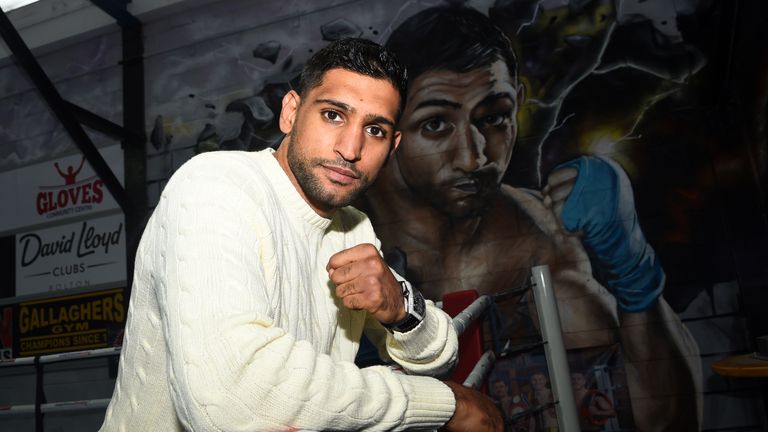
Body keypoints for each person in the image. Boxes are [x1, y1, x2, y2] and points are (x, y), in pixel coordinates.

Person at [100, 38, 502, 431]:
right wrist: (445, 405)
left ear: (393, 145)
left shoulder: (353, 227)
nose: (350, 147)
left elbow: (439, 353)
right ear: (291, 112)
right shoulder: (213, 186)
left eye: (375, 130)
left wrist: (401, 308)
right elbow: (232, 399)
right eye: (333, 115)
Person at [361, 6, 702, 430]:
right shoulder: (344, 234)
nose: (474, 157)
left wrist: (633, 271)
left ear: (517, 101)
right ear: (392, 127)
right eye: (435, 124)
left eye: (493, 117)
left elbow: (669, 421)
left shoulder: (543, 244)